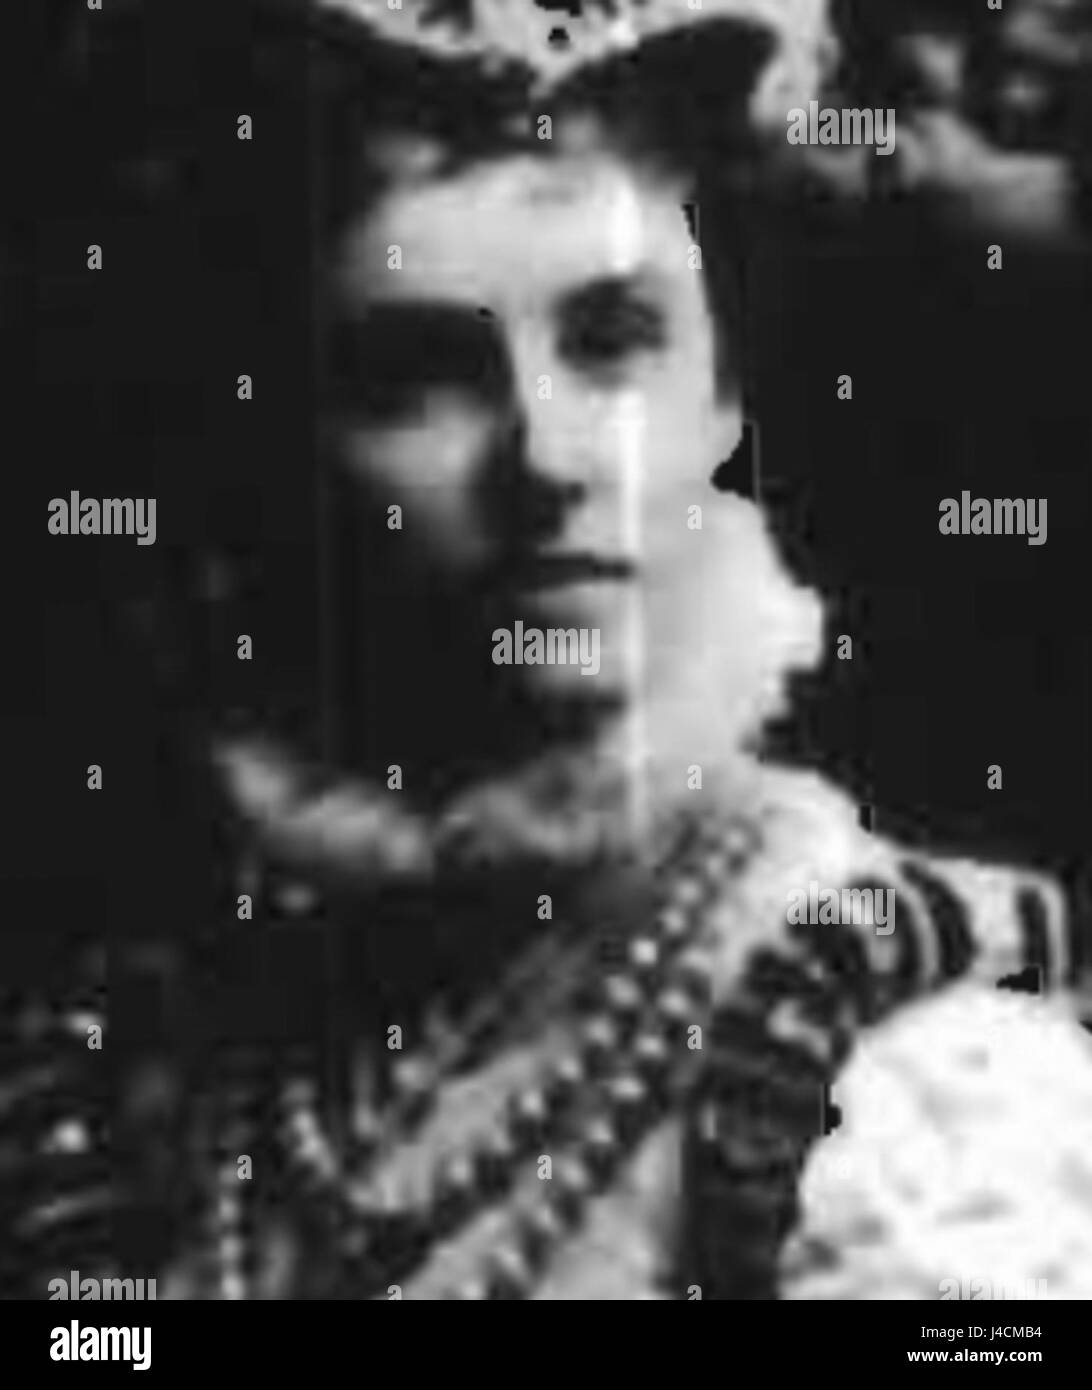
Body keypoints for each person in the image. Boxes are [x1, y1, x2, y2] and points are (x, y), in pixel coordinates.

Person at [6, 0, 1089, 1301]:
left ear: (722, 395)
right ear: (281, 459)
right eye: (414, 372)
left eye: (614, 338)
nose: (550, 455)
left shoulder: (897, 1073)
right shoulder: (159, 1077)